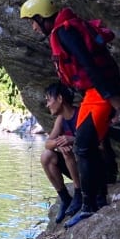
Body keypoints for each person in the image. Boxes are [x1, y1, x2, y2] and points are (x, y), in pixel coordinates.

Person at [20, 0, 120, 228]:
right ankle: (95, 200)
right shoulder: (63, 31)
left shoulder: (64, 32)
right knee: (85, 145)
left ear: (42, 17)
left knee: (84, 146)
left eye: (33, 21)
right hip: (94, 92)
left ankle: (90, 206)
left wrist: (112, 98)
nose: (33, 27)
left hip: (100, 93)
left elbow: (88, 62)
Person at [41, 82, 83, 223]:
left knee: (66, 151)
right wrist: (61, 142)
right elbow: (48, 144)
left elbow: (99, 144)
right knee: (46, 156)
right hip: (76, 167)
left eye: (49, 100)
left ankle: (79, 193)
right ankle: (65, 198)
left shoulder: (81, 114)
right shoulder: (61, 119)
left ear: (59, 98)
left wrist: (72, 140)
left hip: (93, 167)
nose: (47, 105)